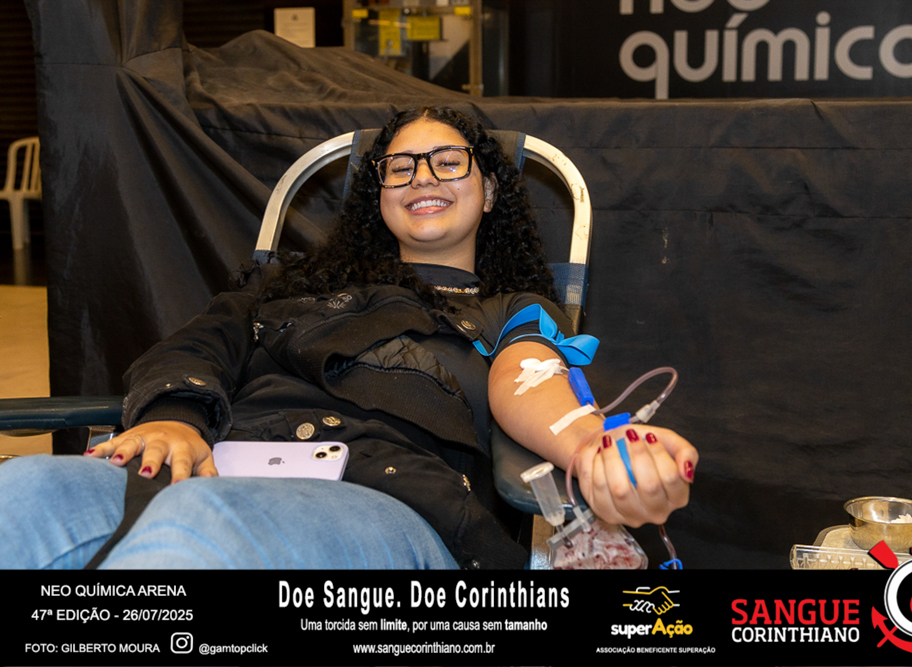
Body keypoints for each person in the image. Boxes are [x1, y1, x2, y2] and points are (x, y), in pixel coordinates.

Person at [0, 107, 697, 569]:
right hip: (210, 466)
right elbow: (196, 347)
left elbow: (530, 379)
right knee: (23, 490)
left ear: (489, 192)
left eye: (448, 161)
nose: (422, 177)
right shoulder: (284, 289)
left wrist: (591, 449)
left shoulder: (509, 308)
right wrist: (175, 417)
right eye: (401, 167)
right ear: (379, 196)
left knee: (197, 528)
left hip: (389, 499)